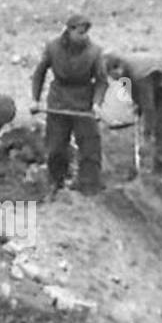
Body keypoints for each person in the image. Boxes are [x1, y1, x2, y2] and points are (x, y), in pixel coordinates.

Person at [30, 14, 107, 194]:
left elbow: (102, 81)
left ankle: (90, 187)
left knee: (90, 147)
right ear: (69, 30)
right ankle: (57, 185)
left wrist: (97, 104)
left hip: (83, 101)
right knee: (56, 148)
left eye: (86, 33)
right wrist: (35, 99)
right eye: (80, 33)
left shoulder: (95, 52)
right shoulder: (53, 47)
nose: (84, 37)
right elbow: (39, 73)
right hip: (58, 101)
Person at [103, 52, 162, 174]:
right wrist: (138, 107)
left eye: (111, 75)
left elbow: (148, 106)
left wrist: (147, 132)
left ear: (117, 68)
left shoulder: (139, 74)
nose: (112, 79)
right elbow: (137, 96)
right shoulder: (126, 74)